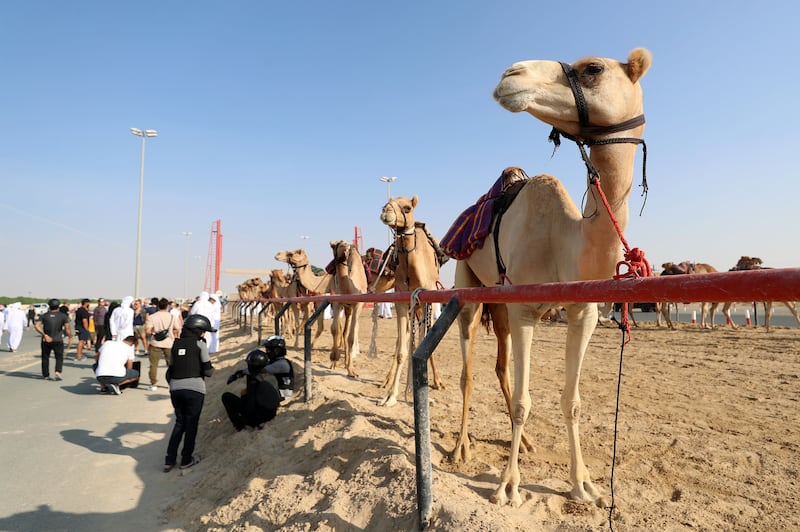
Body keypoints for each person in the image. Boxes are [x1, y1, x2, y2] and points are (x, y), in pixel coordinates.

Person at [163, 313, 215, 473]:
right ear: (197, 330)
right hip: (195, 389)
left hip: (175, 388)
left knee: (179, 423)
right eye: (203, 331)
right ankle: (186, 460)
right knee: (191, 424)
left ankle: (169, 460)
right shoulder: (200, 345)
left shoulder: (176, 344)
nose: (204, 334)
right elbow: (208, 372)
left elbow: (170, 370)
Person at [221, 335, 294, 432]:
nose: (267, 352)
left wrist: (240, 373)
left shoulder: (282, 364)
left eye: (269, 350)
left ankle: (241, 424)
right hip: (274, 393)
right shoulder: (277, 361)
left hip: (282, 394)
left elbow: (259, 370)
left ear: (276, 350)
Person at [145, 297, 181, 391]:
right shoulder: (172, 317)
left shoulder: (152, 317)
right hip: (169, 343)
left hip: (155, 342)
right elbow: (177, 328)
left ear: (157, 306)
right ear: (167, 306)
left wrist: (154, 333)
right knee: (171, 364)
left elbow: (148, 331)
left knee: (153, 365)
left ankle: (153, 384)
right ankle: (171, 383)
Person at [33, 299, 72, 380]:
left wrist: (44, 335)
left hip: (46, 340)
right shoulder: (63, 316)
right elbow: (67, 328)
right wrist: (70, 337)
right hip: (58, 339)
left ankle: (46, 375)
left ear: (49, 306)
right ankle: (58, 372)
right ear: (58, 306)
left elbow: (36, 326)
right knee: (59, 357)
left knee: (45, 357)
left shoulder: (44, 315)